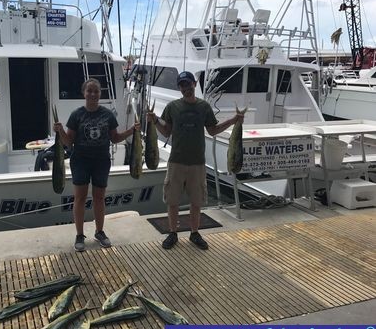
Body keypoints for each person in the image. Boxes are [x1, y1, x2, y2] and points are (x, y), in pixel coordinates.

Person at [147, 71, 244, 250]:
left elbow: (213, 130)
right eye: (182, 85)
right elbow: (166, 131)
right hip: (176, 160)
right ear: (179, 87)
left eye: (188, 84)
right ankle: (172, 233)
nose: (186, 88)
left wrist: (233, 121)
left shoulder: (204, 107)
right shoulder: (172, 107)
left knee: (196, 201)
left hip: (197, 162)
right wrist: (154, 121)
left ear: (194, 83)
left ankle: (194, 233)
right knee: (172, 200)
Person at [54, 78, 139, 252]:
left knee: (99, 198)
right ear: (84, 93)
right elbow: (69, 142)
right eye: (89, 91)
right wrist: (60, 130)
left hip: (101, 160)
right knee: (80, 198)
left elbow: (115, 138)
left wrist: (132, 130)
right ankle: (79, 234)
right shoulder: (76, 115)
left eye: (96, 91)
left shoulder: (107, 115)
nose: (93, 94)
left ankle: (99, 231)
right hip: (80, 160)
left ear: (100, 94)